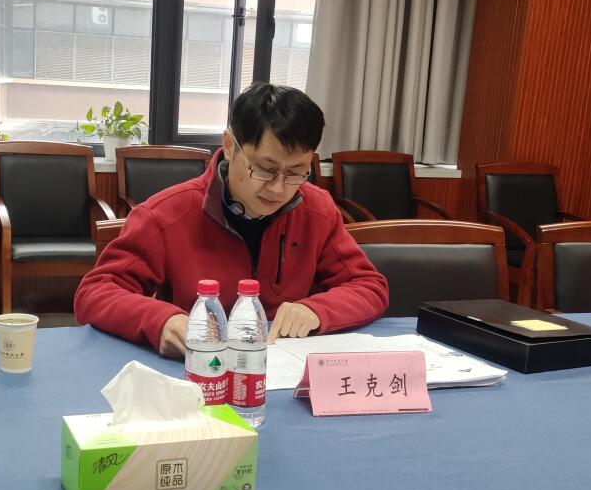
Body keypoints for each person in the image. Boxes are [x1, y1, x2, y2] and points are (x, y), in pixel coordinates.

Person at [75, 83, 389, 358]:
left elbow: (369, 286)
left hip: (281, 372)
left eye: (296, 172)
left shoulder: (317, 210)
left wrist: (315, 310)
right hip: (196, 373)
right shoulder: (166, 214)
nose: (279, 188)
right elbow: (96, 292)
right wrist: (162, 320)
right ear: (229, 146)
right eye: (265, 169)